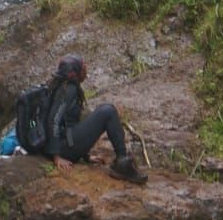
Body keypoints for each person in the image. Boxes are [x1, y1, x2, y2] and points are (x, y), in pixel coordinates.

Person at [45, 55, 147, 184]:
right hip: (64, 147)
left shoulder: (62, 85)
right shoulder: (68, 90)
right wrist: (57, 156)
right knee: (108, 111)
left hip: (66, 141)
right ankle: (122, 162)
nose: (86, 70)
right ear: (75, 73)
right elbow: (53, 120)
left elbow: (69, 121)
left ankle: (122, 161)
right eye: (83, 68)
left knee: (100, 112)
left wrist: (85, 155)